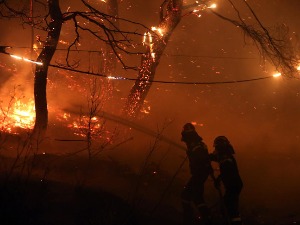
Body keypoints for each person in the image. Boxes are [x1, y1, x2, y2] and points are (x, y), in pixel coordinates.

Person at [181, 123, 213, 225]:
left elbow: (201, 158)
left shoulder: (194, 143)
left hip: (199, 173)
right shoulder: (198, 142)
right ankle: (206, 218)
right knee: (196, 196)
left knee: (186, 195)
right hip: (201, 173)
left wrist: (198, 168)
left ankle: (190, 219)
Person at [210, 136, 243, 225]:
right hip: (234, 185)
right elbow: (214, 157)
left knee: (228, 207)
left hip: (233, 185)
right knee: (228, 206)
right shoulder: (225, 155)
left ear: (220, 147)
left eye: (216, 147)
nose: (215, 149)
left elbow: (226, 170)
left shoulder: (225, 157)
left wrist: (219, 179)